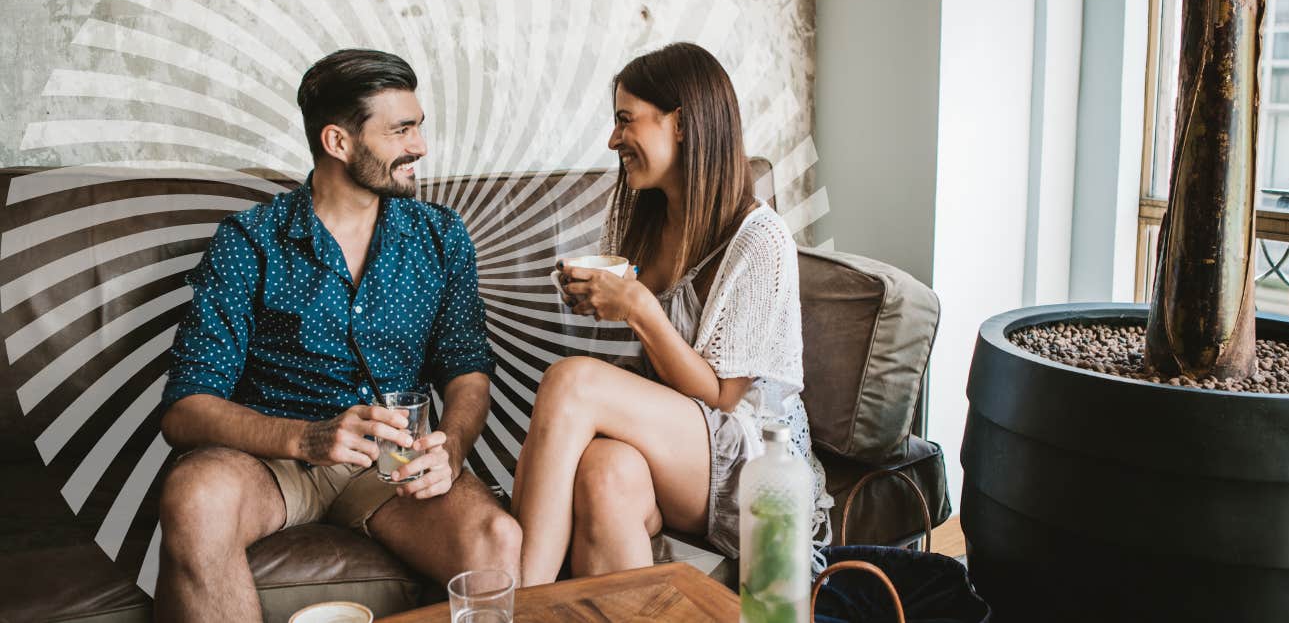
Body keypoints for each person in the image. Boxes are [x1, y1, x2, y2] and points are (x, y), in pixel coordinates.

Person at [156, 49, 520, 622]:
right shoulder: (249, 241)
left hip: (390, 460)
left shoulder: (440, 235)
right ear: (338, 141)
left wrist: (451, 444)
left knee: (495, 537)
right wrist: (306, 438)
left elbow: (466, 368)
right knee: (194, 495)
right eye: (401, 130)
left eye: (418, 127)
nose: (419, 146)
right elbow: (184, 409)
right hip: (270, 457)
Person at [511, 42, 832, 586]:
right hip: (677, 442)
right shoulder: (645, 218)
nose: (614, 140)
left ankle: (516, 603)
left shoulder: (760, 239)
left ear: (680, 123)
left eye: (625, 120)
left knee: (572, 382)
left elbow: (725, 397)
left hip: (754, 461)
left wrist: (637, 306)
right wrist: (601, 300)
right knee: (603, 473)